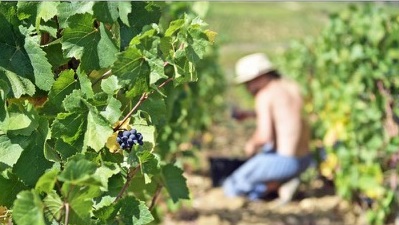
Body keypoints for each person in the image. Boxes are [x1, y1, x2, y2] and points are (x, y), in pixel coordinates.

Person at [223, 53, 313, 204]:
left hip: (285, 162)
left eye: (248, 83)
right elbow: (285, 115)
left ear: (259, 77)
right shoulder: (291, 86)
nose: (248, 88)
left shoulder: (264, 95)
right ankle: (280, 185)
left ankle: (278, 186)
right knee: (262, 164)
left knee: (231, 186)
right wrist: (250, 114)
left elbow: (264, 136)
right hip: (304, 160)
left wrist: (251, 145)